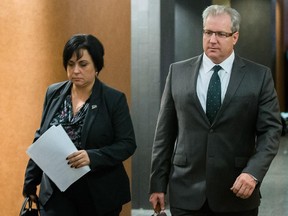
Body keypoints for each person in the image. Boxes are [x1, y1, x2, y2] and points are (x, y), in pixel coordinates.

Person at [149, 5, 282, 216]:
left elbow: (271, 132)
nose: (212, 39)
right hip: (186, 191)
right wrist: (157, 183)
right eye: (208, 32)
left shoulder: (259, 76)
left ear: (235, 37)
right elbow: (164, 134)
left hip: (237, 191)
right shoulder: (177, 72)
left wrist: (253, 173)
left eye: (221, 34)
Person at [22, 34, 136, 216]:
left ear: (97, 67)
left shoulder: (113, 99)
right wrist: (30, 183)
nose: (75, 70)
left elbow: (127, 144)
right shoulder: (53, 93)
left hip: (98, 193)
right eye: (70, 64)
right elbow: (41, 138)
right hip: (55, 192)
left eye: (83, 64)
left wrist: (92, 156)